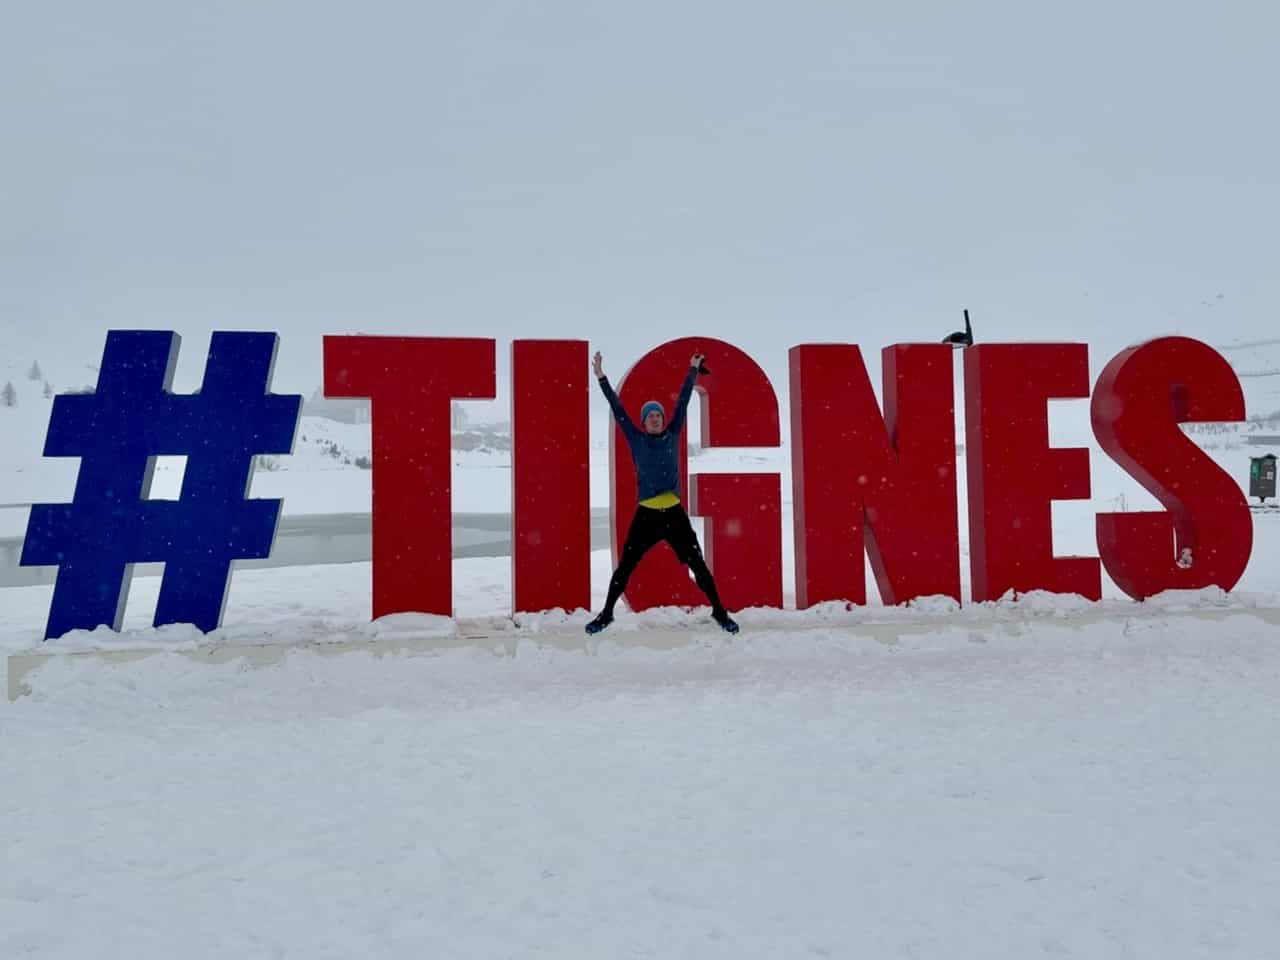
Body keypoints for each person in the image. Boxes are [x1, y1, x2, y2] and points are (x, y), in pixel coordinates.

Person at [586, 350, 739, 635]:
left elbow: (683, 401)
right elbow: (617, 408)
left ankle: (720, 611)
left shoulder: (672, 433)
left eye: (658, 415)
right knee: (625, 568)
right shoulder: (636, 438)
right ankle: (606, 614)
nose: (655, 419)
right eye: (650, 416)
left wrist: (692, 369)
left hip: (674, 515)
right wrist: (601, 377)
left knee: (698, 565)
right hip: (646, 516)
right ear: (643, 422)